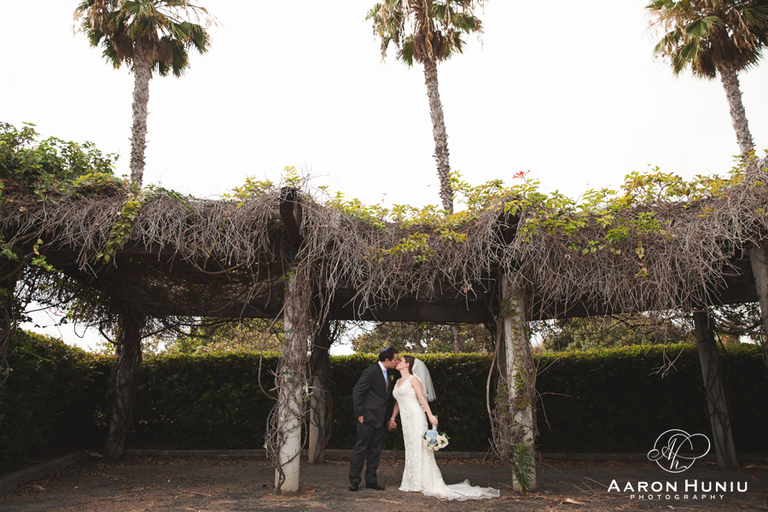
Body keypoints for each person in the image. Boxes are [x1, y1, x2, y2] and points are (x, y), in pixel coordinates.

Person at [389, 355, 500, 501]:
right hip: (406, 420)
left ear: (407, 364)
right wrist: (392, 418)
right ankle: (412, 481)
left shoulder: (414, 380)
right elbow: (398, 401)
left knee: (419, 448)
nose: (397, 362)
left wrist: (430, 416)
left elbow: (422, 398)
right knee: (410, 448)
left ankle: (421, 482)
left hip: (416, 417)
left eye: (400, 361)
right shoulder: (397, 381)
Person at [348, 347, 399, 492]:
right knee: (360, 450)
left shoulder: (388, 373)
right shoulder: (370, 371)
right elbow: (357, 392)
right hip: (367, 418)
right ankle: (354, 481)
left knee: (375, 451)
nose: (397, 361)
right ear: (387, 360)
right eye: (395, 359)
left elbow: (384, 398)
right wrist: (360, 415)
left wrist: (389, 418)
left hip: (380, 419)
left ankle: (371, 480)